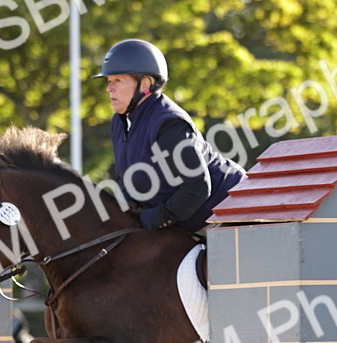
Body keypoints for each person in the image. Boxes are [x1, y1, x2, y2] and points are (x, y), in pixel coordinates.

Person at [94, 39, 245, 234]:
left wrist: (153, 218)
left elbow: (197, 187)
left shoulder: (168, 123)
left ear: (145, 84)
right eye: (108, 81)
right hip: (183, 216)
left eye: (118, 81)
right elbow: (127, 178)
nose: (109, 88)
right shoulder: (119, 123)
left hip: (224, 210)